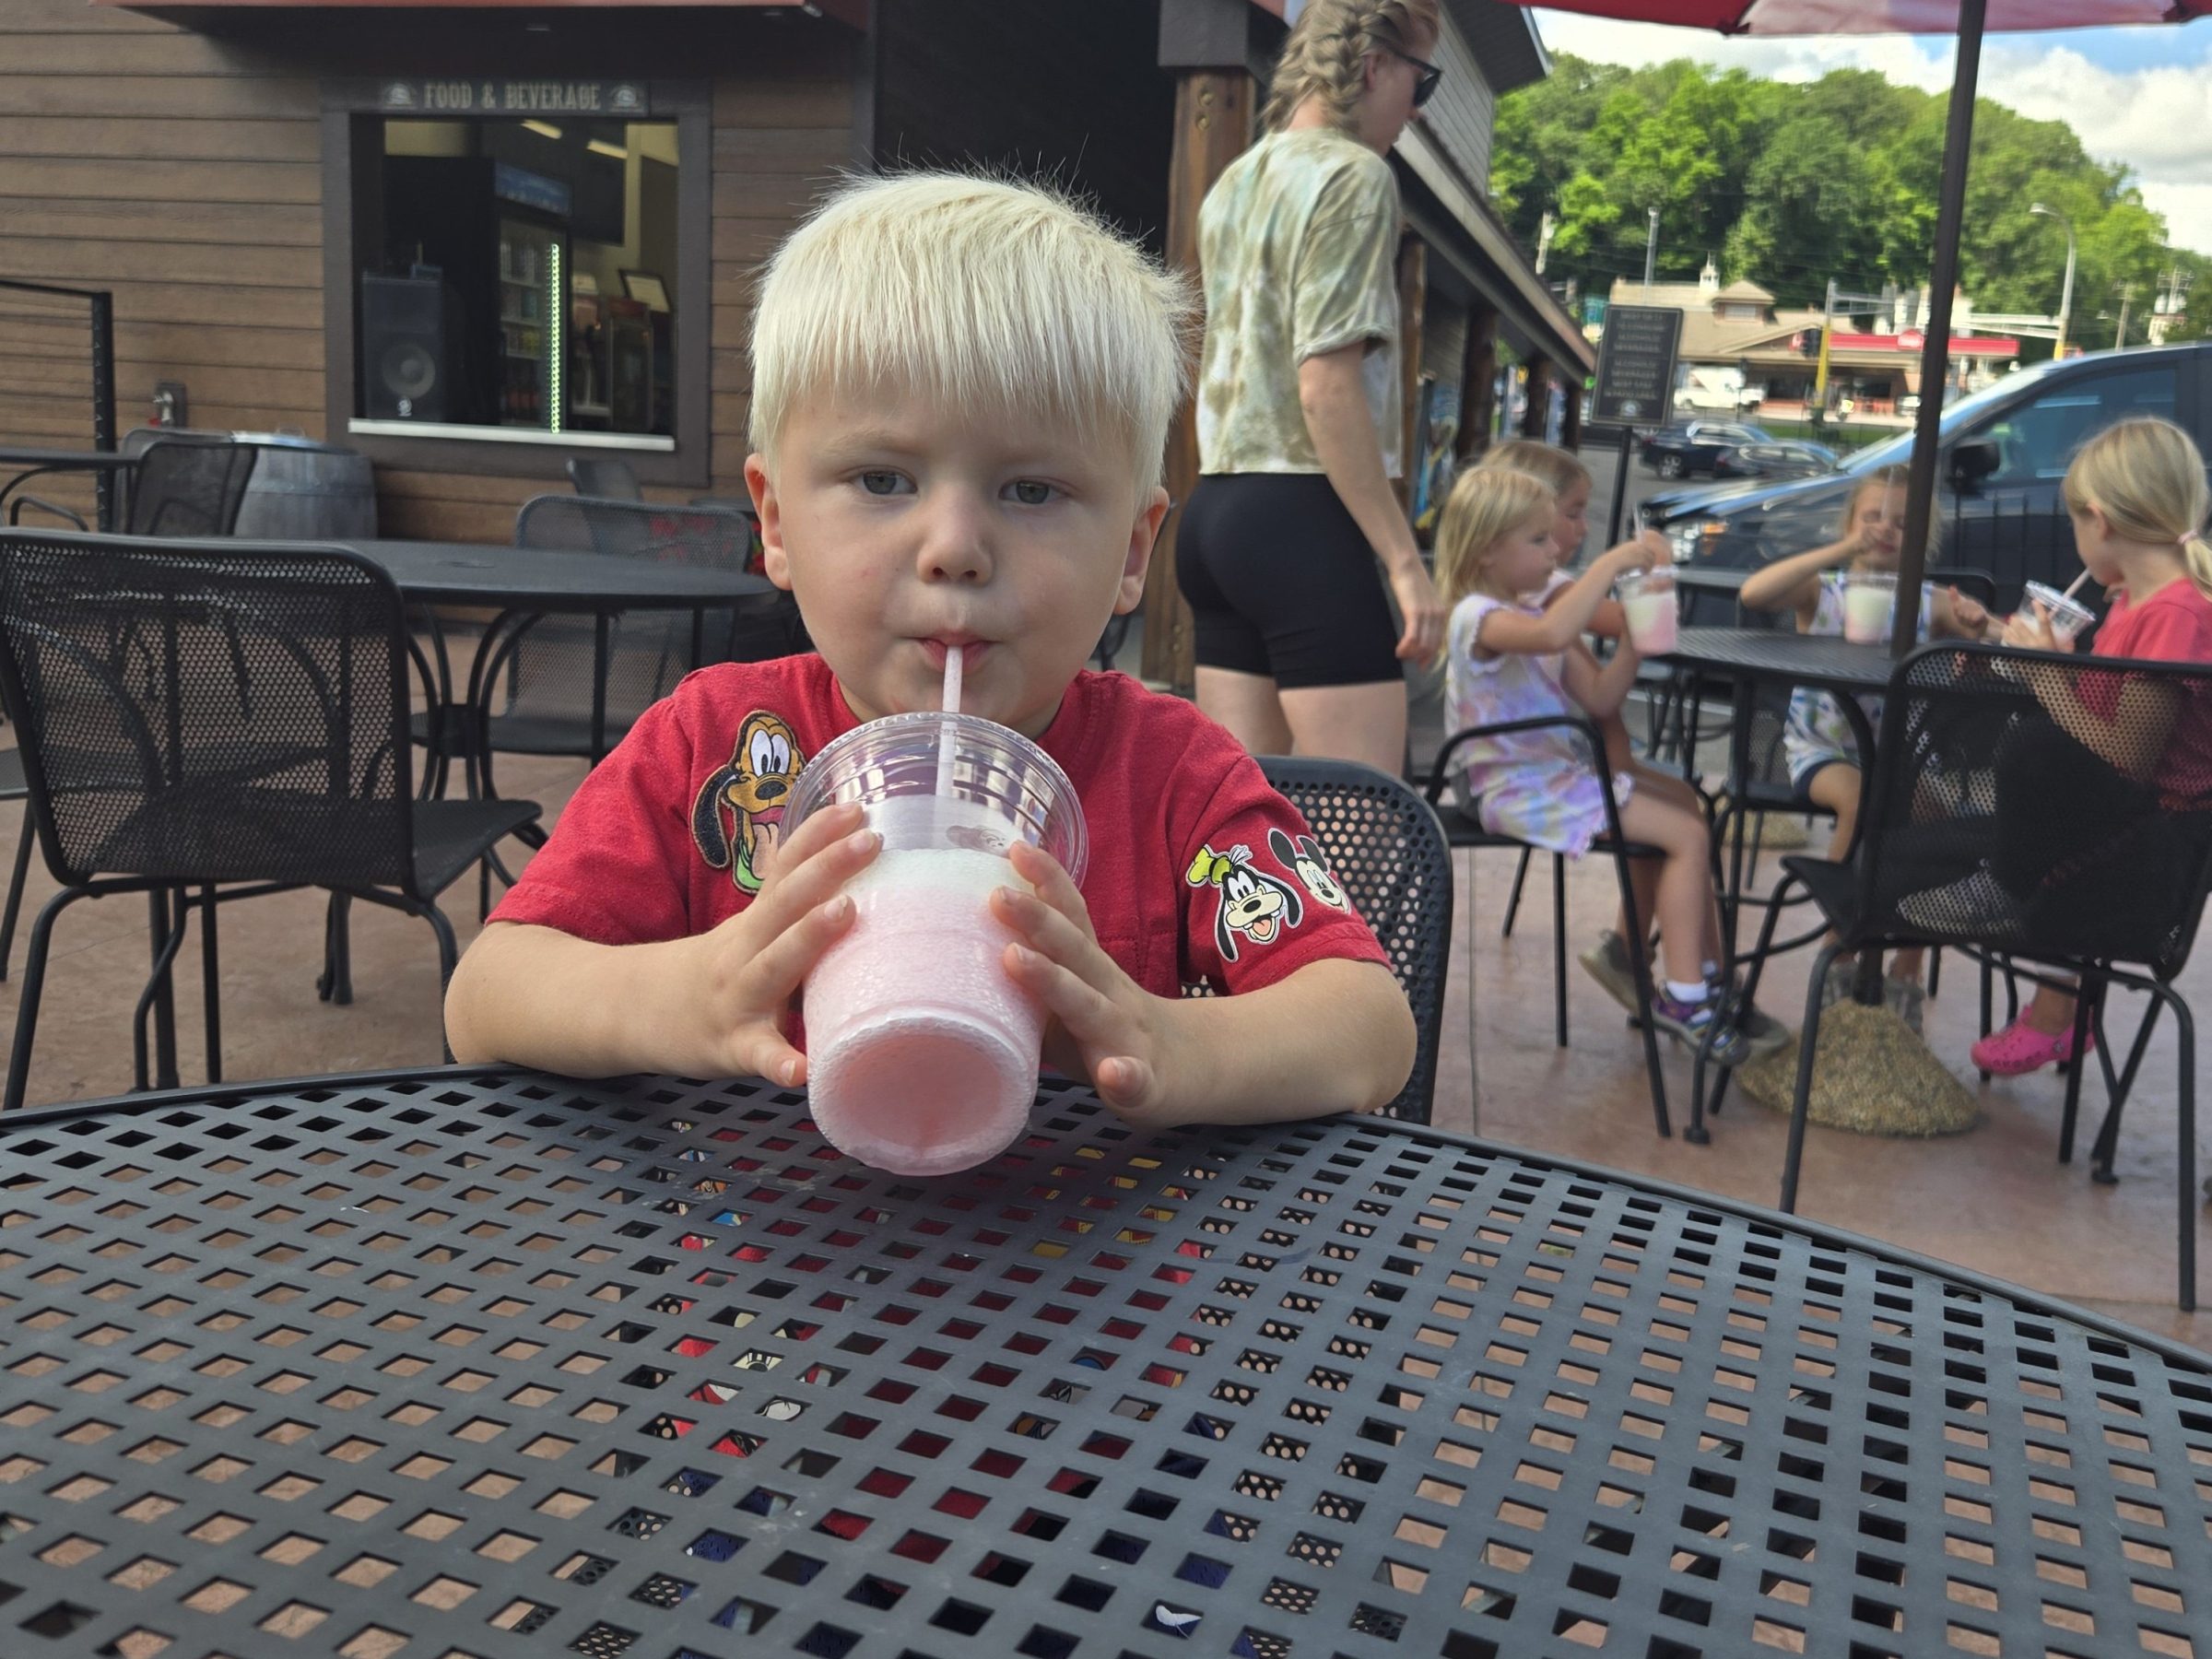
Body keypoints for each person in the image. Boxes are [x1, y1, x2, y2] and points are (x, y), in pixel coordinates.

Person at [441, 173, 1418, 1131]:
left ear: (1132, 551)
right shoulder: (713, 746)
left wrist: (1164, 1043)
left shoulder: (1175, 778)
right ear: (775, 522)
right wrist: (693, 991)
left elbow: (1370, 1027)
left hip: (1091, 1292)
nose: (954, 546)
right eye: (882, 478)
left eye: (1031, 491)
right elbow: (486, 997)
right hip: (764, 1288)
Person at [1176, 0, 1447, 775]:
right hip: (1302, 515)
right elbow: (1326, 384)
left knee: (1250, 832)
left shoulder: (1235, 181)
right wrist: (1403, 560)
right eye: (1420, 85)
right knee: (1360, 832)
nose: (1415, 113)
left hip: (1218, 511)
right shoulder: (1355, 175)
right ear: (1373, 67)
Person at [1436, 467, 1750, 1065]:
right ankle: (1687, 996)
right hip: (1506, 788)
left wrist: (1639, 631)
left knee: (1684, 819)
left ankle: (1702, 978)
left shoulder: (1527, 613)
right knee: (1686, 833)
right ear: (1485, 552)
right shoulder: (1475, 615)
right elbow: (1557, 630)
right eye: (1537, 541)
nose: (1554, 550)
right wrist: (1614, 564)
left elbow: (1603, 698)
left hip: (1550, 779)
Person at [1954, 417, 2212, 1076]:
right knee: (2014, 764)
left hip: (2155, 845)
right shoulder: (2133, 600)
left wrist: (2045, 673)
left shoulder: (2175, 612)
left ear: (2099, 521)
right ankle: (2053, 994)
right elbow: (2100, 713)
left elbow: (2126, 755)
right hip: (2121, 827)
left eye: (2074, 524)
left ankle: (2017, 915)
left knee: (2033, 750)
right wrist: (2014, 644)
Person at [1737, 465, 1993, 1030]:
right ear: (1849, 522)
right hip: (1821, 750)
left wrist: (1978, 621)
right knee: (1862, 800)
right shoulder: (1824, 593)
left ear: (1922, 537)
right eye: (1871, 517)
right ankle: (1841, 946)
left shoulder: (1931, 604)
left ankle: (1907, 965)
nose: (1885, 529)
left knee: (1937, 823)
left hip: (1899, 757)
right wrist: (1842, 548)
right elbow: (1754, 593)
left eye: (1903, 522)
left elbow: (2000, 635)